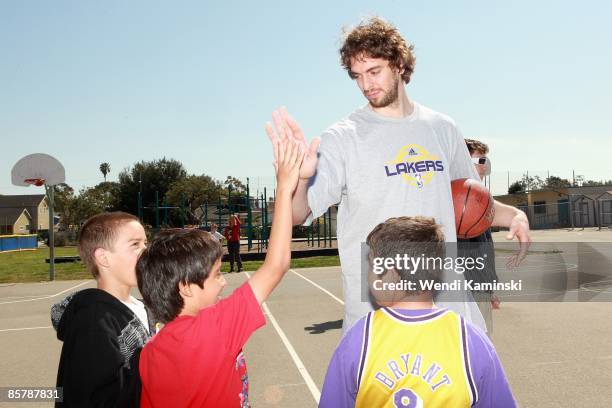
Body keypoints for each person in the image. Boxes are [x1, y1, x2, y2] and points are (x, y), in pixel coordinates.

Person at [266, 16, 530, 332]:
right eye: (357, 76)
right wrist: (299, 179)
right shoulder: (342, 137)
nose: (366, 84)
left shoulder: (442, 128)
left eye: (374, 71)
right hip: (378, 310)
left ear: (399, 65)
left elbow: (468, 198)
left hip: (446, 304)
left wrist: (514, 215)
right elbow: (298, 213)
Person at [135, 139, 304, 407]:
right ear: (186, 287)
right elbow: (276, 265)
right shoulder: (213, 327)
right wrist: (284, 189)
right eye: (216, 275)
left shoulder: (151, 351)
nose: (224, 282)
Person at [319, 216, 517, 407]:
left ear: (391, 273)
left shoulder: (359, 339)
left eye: (372, 265)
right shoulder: (472, 341)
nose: (368, 274)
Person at [50, 212, 154, 407]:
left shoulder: (143, 308)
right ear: (104, 258)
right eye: (135, 245)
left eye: (145, 243)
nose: (146, 251)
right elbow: (87, 397)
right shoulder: (94, 322)